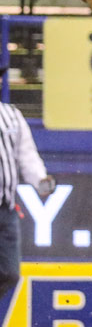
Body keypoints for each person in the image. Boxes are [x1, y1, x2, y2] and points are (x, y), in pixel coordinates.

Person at [0, 97, 55, 304]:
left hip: (5, 207)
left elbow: (27, 155)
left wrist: (40, 180)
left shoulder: (12, 116)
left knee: (10, 272)